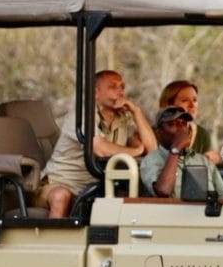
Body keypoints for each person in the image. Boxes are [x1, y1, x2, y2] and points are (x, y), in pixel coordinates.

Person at [36, 70, 157, 218]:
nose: (120, 92)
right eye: (113, 87)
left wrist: (136, 111)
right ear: (96, 93)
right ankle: (53, 240)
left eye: (122, 87)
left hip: (94, 190)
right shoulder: (81, 116)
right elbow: (101, 150)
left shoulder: (123, 118)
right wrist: (136, 151)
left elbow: (152, 150)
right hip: (58, 184)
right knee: (61, 196)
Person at [141, 106, 223, 199]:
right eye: (172, 124)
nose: (181, 129)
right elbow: (163, 190)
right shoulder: (151, 160)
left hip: (205, 213)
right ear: (159, 132)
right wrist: (176, 148)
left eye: (183, 123)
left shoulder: (203, 161)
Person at [158, 80, 220, 165]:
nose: (192, 105)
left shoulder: (202, 135)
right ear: (169, 105)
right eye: (184, 100)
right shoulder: (156, 133)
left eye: (194, 100)